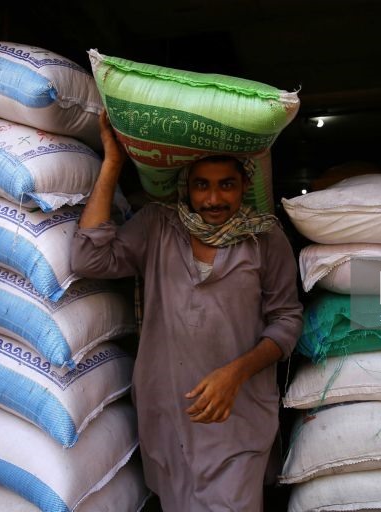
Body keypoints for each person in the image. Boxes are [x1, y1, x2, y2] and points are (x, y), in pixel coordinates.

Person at [72, 111, 303, 511]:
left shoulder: (265, 239)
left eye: (226, 185)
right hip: (168, 412)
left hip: (238, 415)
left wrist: (236, 374)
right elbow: (89, 258)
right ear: (186, 187)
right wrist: (112, 163)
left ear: (244, 185)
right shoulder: (158, 226)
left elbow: (287, 321)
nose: (213, 199)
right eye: (202, 185)